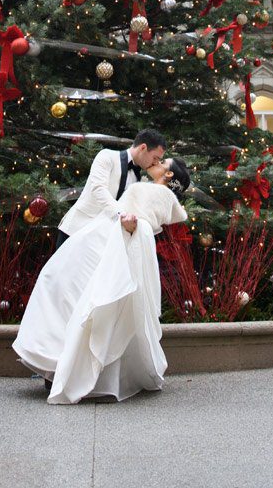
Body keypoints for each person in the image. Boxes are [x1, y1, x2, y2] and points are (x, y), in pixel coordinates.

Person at [14, 155, 190, 404]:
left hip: (105, 243)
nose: (156, 162)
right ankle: (71, 368)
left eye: (163, 163)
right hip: (105, 240)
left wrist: (131, 225)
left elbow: (141, 222)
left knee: (75, 297)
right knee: (84, 300)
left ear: (169, 174)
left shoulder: (154, 192)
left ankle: (66, 367)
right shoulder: (158, 194)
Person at [57, 128, 167, 244]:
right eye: (155, 158)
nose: (156, 163)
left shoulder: (138, 178)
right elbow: (98, 189)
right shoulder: (107, 156)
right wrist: (122, 215)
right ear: (143, 148)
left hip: (101, 241)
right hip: (76, 231)